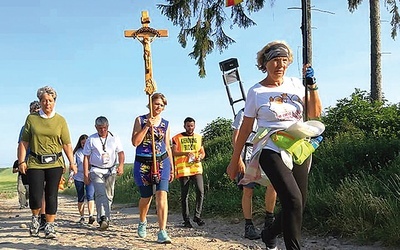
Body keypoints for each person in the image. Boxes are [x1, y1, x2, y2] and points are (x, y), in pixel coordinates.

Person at [226, 40, 322, 250]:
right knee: (293, 200)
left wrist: (312, 84)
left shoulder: (297, 84)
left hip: (298, 146)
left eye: (284, 60)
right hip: (270, 147)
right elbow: (245, 128)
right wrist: (235, 160)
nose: (280, 65)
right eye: (275, 61)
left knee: (298, 204)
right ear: (265, 63)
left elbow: (315, 114)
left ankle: (269, 233)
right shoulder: (256, 92)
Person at [17, 86, 77, 239]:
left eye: (50, 100)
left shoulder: (60, 120)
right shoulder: (32, 119)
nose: (47, 103)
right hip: (35, 163)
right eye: (44, 100)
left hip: (55, 163)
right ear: (40, 102)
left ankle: (50, 226)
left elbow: (67, 144)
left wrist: (72, 162)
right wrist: (21, 161)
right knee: (36, 196)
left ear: (54, 102)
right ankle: (36, 219)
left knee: (51, 195)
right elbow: (24, 142)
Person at [131, 93, 174, 244]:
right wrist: (146, 127)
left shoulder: (166, 124)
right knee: (146, 197)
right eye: (156, 104)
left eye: (161, 105)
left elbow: (168, 146)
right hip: (143, 163)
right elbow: (135, 142)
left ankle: (162, 231)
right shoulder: (140, 120)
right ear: (150, 103)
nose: (159, 107)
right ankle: (142, 220)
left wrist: (172, 167)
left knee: (162, 195)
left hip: (162, 162)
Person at [231, 108, 277, 240]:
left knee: (272, 184)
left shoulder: (268, 111)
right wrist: (238, 159)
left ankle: (270, 220)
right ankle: (249, 226)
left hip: (265, 150)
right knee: (248, 190)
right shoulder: (244, 112)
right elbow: (236, 136)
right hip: (248, 154)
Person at [83, 116, 125, 231]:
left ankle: (105, 218)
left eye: (105, 128)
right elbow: (86, 157)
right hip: (96, 170)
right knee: (101, 194)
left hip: (110, 170)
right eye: (100, 128)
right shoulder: (91, 139)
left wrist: (121, 165)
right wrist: (86, 174)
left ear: (108, 127)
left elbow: (121, 153)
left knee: (109, 195)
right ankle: (103, 217)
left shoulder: (114, 138)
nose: (102, 130)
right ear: (96, 127)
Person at [172, 117, 206, 228]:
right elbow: (174, 152)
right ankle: (186, 220)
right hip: (184, 170)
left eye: (192, 126)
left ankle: (197, 216)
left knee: (200, 191)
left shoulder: (199, 137)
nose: (190, 128)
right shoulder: (177, 138)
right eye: (188, 126)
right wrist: (185, 153)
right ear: (184, 126)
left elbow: (202, 152)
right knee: (184, 195)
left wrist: (200, 157)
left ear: (194, 126)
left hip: (196, 168)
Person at [14, 101, 40, 209]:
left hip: (44, 161)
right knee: (31, 189)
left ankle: (43, 216)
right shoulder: (25, 127)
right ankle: (36, 213)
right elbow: (21, 145)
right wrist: (21, 161)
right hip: (30, 161)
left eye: (38, 111)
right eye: (33, 111)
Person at [72, 134, 95, 224]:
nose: (84, 145)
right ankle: (82, 216)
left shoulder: (92, 151)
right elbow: (74, 165)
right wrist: (71, 175)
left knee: (90, 195)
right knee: (80, 196)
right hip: (79, 177)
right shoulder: (77, 152)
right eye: (82, 143)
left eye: (85, 143)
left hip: (90, 176)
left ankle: (91, 215)